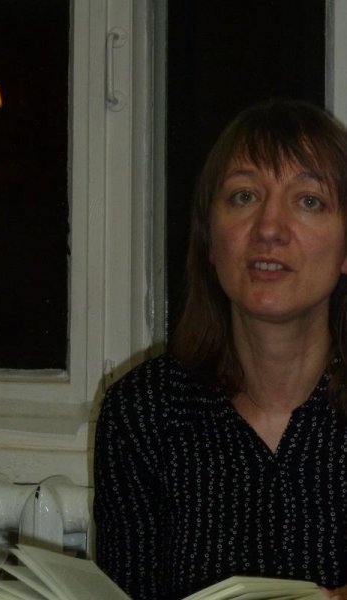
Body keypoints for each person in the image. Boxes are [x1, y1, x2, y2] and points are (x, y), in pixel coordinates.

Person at [93, 99, 347, 600]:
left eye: (309, 200)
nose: (269, 228)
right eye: (244, 196)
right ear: (211, 241)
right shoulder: (143, 413)